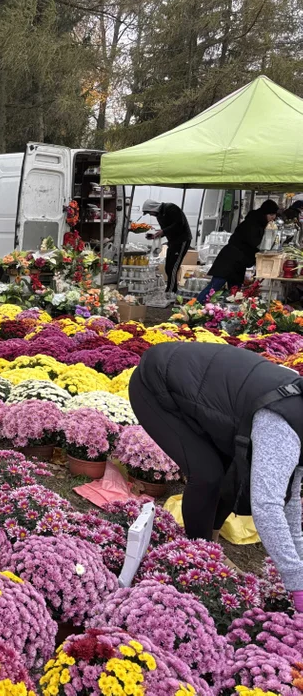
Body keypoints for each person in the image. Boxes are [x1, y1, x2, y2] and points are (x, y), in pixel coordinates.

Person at [130, 342, 303, 608]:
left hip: (201, 393)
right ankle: (199, 563)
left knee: (231, 476)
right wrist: (297, 584)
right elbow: (267, 506)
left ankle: (210, 549)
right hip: (155, 384)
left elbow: (289, 502)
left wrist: (300, 570)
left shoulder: (296, 422)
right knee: (207, 474)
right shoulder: (282, 426)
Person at [197, 199, 280, 303]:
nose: (273, 218)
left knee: (235, 292)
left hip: (238, 262)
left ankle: (229, 314)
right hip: (229, 260)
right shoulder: (253, 224)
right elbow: (252, 243)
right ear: (264, 213)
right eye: (271, 214)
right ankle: (194, 307)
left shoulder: (258, 223)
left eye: (274, 215)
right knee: (214, 288)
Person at [142, 200, 191, 293]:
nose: (150, 215)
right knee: (168, 267)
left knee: (173, 267)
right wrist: (156, 235)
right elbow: (167, 229)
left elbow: (179, 224)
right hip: (172, 241)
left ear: (153, 208)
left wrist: (163, 232)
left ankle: (171, 291)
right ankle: (171, 289)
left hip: (182, 240)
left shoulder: (171, 208)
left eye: (149, 213)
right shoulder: (159, 215)